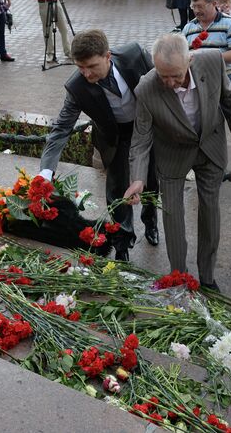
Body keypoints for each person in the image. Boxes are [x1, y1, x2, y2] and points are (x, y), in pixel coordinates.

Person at [125, 34, 231, 291]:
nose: (170, 82)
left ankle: (207, 275)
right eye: (163, 76)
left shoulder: (213, 61)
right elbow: (141, 138)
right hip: (172, 153)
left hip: (210, 146)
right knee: (172, 216)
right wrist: (137, 178)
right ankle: (178, 277)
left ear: (190, 60)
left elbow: (229, 96)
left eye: (177, 76)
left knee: (210, 210)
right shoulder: (146, 88)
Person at [40, 30, 159, 261]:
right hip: (114, 137)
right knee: (116, 191)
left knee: (151, 180)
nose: (85, 73)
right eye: (80, 67)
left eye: (91, 66)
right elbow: (61, 129)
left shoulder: (135, 55)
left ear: (108, 56)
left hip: (145, 129)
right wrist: (46, 173)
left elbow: (162, 85)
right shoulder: (76, 87)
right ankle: (123, 240)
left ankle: (150, 222)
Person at [182, 0, 231, 86]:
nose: (196, 11)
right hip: (197, 78)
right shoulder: (188, 28)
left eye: (200, 6)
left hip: (223, 77)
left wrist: (204, 57)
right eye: (193, 6)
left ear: (214, 3)